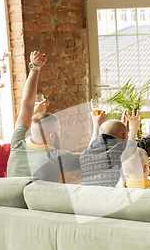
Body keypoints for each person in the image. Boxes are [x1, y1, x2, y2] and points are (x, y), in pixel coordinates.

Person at [6, 51, 104, 182]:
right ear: (51, 135)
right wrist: (97, 126)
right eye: (59, 131)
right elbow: (90, 157)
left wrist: (35, 67)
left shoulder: (17, 144)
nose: (60, 134)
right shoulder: (56, 157)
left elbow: (27, 104)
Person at [80, 107, 150, 187]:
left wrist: (96, 126)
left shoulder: (84, 156)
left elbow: (90, 147)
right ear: (124, 135)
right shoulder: (126, 151)